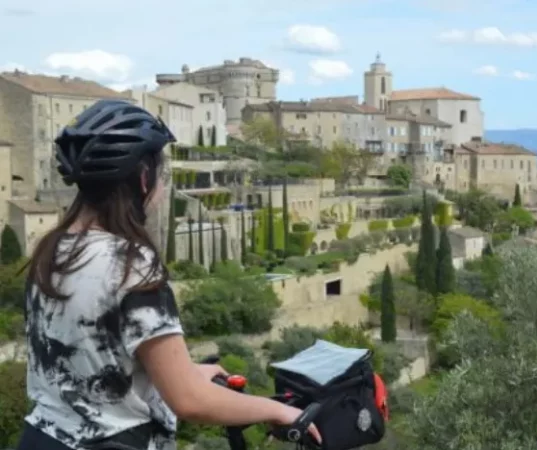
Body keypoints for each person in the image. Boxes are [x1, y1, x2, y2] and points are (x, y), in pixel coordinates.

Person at [16, 100, 321, 450]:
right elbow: (190, 401)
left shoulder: (52, 250)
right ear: (143, 177)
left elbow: (94, 361)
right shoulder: (131, 264)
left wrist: (187, 372)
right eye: (162, 174)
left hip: (42, 438)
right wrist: (278, 411)